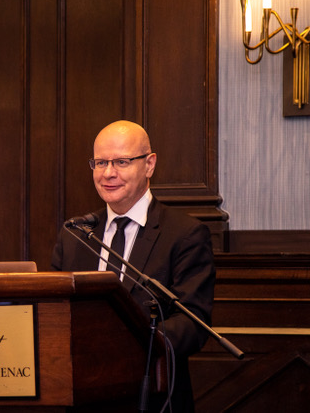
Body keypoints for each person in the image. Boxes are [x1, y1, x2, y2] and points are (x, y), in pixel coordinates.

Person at [51, 120, 215, 412]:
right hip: (81, 398)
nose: (108, 173)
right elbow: (54, 313)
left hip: (151, 397)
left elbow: (193, 323)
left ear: (149, 164)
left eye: (122, 162)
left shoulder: (184, 234)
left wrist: (133, 345)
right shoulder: (75, 234)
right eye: (100, 162)